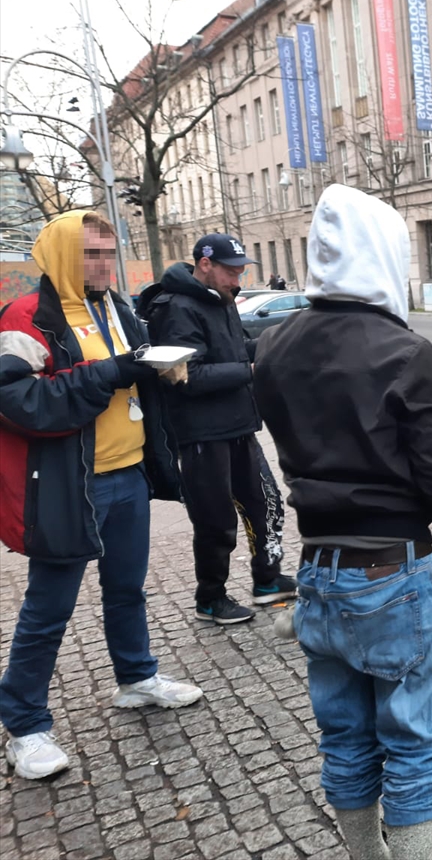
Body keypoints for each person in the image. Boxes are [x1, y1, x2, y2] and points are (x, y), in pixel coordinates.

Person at [254, 185, 432, 860]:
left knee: (345, 738)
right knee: (414, 744)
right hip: (392, 568)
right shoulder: (403, 351)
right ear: (381, 252)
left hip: (317, 569)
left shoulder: (274, 346)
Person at [0, 211, 203, 780]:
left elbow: (127, 370)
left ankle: (136, 679)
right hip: (70, 484)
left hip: (128, 474)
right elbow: (19, 401)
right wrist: (108, 373)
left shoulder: (116, 307)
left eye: (108, 254)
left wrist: (162, 371)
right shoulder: (27, 316)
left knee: (126, 590)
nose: (102, 265)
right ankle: (24, 725)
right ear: (63, 252)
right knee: (48, 609)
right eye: (91, 253)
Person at [141, 234, 295, 625]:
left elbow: (235, 351)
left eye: (241, 270)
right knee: (216, 521)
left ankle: (268, 580)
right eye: (230, 271)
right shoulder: (176, 308)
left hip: (239, 425)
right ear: (204, 264)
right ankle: (211, 598)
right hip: (201, 436)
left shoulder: (221, 300)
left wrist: (279, 346)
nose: (237, 279)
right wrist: (251, 371)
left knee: (267, 503)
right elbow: (183, 376)